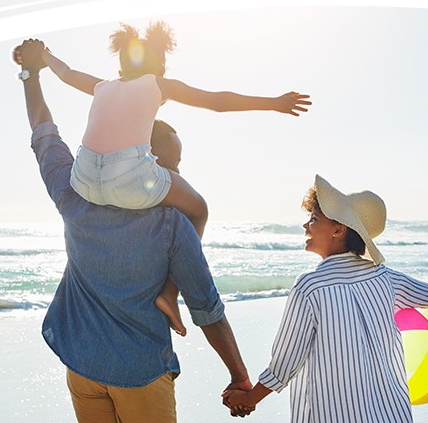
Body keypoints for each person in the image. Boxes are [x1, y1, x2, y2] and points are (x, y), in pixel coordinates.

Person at [15, 38, 252, 422]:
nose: (176, 174)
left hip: (82, 365)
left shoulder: (72, 192)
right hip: (139, 373)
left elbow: (43, 131)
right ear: (151, 162)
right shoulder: (173, 224)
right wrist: (239, 376)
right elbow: (206, 307)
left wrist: (30, 73)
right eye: (173, 164)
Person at [22, 22, 311, 337]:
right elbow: (218, 102)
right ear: (160, 64)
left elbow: (65, 72)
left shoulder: (102, 86)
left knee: (138, 179)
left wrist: (44, 54)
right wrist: (274, 103)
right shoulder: (159, 84)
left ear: (120, 63)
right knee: (198, 208)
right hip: (129, 180)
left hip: (83, 178)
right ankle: (170, 293)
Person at [222, 176, 428, 421]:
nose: (305, 226)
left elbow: (286, 362)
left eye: (314, 219)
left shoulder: (310, 287)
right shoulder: (387, 279)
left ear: (339, 230)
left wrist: (249, 399)